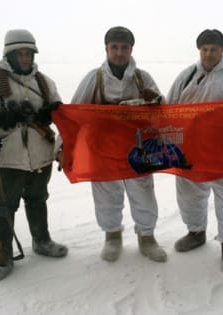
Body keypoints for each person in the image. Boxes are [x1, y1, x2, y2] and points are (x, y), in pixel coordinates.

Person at [0, 29, 68, 281]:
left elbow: (63, 117)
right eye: (19, 53)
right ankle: (3, 257)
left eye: (28, 53)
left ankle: (42, 241)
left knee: (37, 199)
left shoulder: (45, 82)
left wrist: (53, 117)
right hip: (7, 157)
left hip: (40, 156)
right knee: (3, 207)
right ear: (8, 54)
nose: (24, 58)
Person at [167, 29, 223, 277]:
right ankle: (196, 232)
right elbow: (170, 108)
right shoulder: (186, 76)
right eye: (205, 49)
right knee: (188, 194)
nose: (208, 54)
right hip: (188, 149)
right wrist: (168, 142)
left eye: (214, 49)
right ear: (199, 50)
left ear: (222, 50)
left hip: (220, 151)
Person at [70, 26, 167, 263]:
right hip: (103, 149)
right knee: (106, 194)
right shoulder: (94, 78)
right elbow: (74, 113)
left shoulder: (143, 78)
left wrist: (153, 102)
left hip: (139, 149)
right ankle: (112, 236)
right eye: (114, 47)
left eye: (124, 47)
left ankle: (147, 237)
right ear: (106, 49)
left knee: (144, 193)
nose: (119, 52)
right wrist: (65, 148)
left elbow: (163, 113)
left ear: (131, 49)